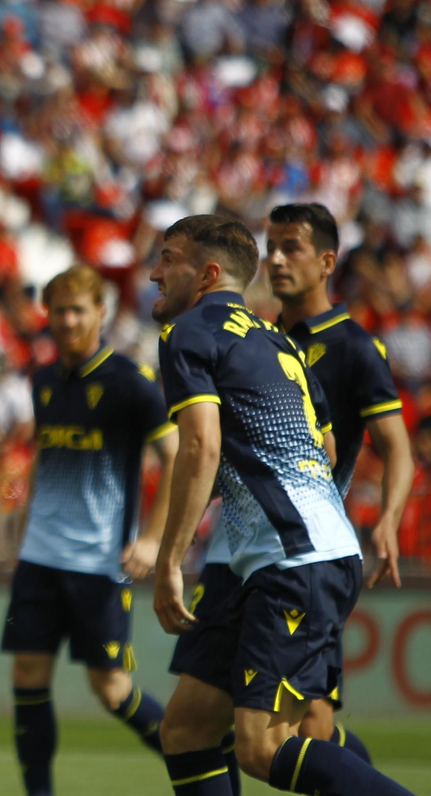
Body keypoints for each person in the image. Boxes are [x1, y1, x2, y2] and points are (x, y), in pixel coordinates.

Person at [149, 215, 416, 796]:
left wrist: (168, 558)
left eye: (168, 259)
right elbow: (327, 447)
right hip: (284, 553)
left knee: (264, 748)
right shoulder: (278, 343)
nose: (154, 274)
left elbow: (200, 445)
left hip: (292, 558)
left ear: (208, 274)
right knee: (187, 729)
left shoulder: (188, 333)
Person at [2, 264, 180, 794]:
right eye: (59, 311)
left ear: (101, 313)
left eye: (78, 310)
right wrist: (22, 523)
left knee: (112, 689)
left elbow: (175, 457)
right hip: (40, 556)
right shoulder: (42, 381)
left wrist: (152, 539)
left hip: (100, 562)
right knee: (27, 676)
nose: (68, 321)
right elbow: (46, 457)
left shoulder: (131, 383)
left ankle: (203, 762)